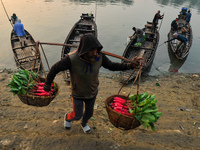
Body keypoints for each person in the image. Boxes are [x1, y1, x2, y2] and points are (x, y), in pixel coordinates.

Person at [43, 33, 141, 134]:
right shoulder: (71, 59)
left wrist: (130, 65)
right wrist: (47, 84)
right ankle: (68, 118)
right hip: (78, 93)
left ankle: (84, 123)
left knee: (89, 114)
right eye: (91, 50)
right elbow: (55, 68)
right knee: (77, 115)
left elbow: (112, 66)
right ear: (84, 50)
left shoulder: (99, 56)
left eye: (96, 49)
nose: (94, 53)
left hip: (92, 92)